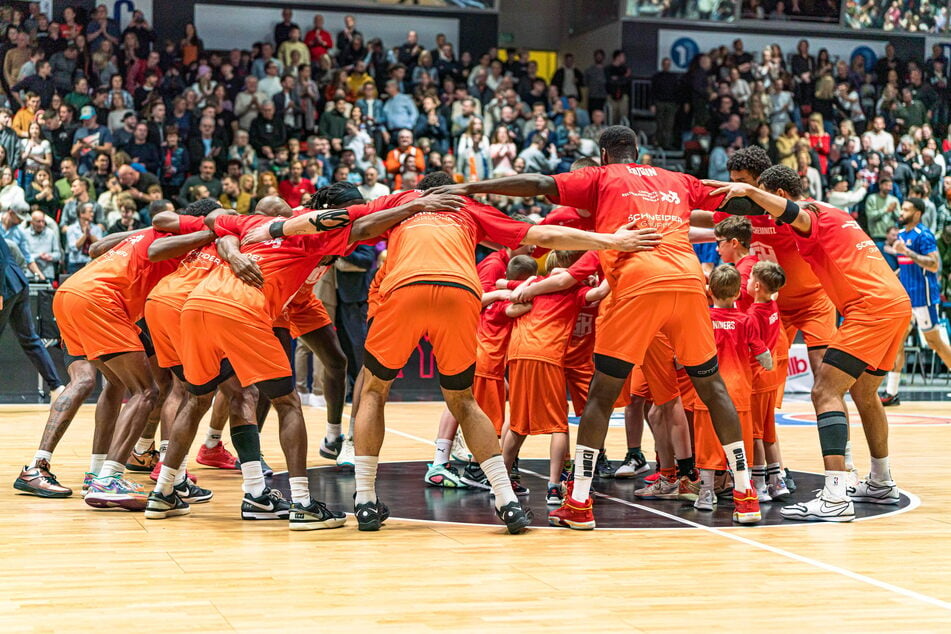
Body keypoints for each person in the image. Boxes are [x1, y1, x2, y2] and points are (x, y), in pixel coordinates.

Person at [258, 169, 661, 533]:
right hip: (460, 293)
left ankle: (364, 500)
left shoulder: (400, 199)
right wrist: (611, 239)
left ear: (422, 190)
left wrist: (273, 227)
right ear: (450, 189)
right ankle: (507, 502)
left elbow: (348, 221)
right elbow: (541, 236)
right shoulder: (466, 205)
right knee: (464, 400)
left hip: (405, 290)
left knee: (373, 392)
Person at [428, 125, 765, 528]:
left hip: (638, 285)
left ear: (604, 155)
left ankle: (580, 502)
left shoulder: (601, 177)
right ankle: (746, 495)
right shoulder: (677, 179)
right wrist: (773, 199)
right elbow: (736, 200)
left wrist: (471, 188)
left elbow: (537, 183)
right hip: (691, 284)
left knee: (601, 397)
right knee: (712, 387)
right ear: (638, 152)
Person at [708, 164, 911, 522]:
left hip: (868, 308)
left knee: (824, 392)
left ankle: (835, 495)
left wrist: (748, 192)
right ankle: (880, 480)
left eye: (766, 197)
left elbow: (792, 213)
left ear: (780, 195)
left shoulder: (808, 215)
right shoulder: (831, 210)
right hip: (894, 303)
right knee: (865, 393)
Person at [504, 251, 609, 506]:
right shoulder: (573, 289)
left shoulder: (532, 283)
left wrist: (522, 292)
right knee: (558, 424)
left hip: (517, 353)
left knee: (518, 424)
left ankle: (500, 482)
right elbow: (600, 292)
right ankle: (553, 487)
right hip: (547, 353)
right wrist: (617, 264)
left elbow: (503, 289)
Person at [693, 265, 771, 512]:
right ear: (738, 293)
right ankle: (743, 489)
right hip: (738, 391)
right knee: (741, 443)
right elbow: (763, 355)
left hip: (707, 390)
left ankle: (706, 492)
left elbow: (686, 353)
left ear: (710, 291)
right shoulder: (747, 320)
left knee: (706, 444)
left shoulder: (703, 318)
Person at [880, 198, 951, 405]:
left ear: (917, 213)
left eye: (906, 209)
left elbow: (933, 265)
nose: (901, 212)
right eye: (902, 208)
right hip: (906, 298)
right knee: (897, 343)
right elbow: (907, 266)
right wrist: (893, 275)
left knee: (935, 343)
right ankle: (892, 392)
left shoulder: (924, 235)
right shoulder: (902, 235)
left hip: (923, 298)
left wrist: (907, 252)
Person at [0, 212, 63, 398]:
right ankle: (56, 387)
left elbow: (1, 262)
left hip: (6, 288)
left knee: (30, 339)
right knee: (30, 339)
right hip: (18, 284)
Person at [23, 210, 60, 280]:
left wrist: (50, 256)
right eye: (38, 221)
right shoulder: (24, 234)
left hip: (48, 273)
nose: (41, 224)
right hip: (30, 274)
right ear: (31, 222)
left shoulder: (51, 233)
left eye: (43, 221)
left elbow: (58, 254)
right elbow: (24, 256)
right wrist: (39, 255)